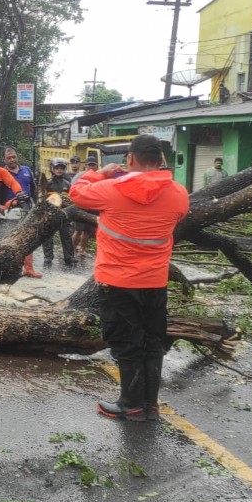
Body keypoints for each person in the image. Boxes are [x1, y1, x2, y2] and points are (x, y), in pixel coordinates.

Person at [69, 134, 189, 422]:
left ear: (130, 159)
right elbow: (179, 215)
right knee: (152, 341)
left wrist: (98, 173)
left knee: (126, 342)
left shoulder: (110, 189)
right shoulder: (179, 193)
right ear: (161, 160)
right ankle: (150, 405)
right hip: (155, 282)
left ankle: (131, 405)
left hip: (118, 281)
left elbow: (77, 192)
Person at [2, 146, 41, 278]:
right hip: (9, 210)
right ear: (4, 160)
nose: (12, 160)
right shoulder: (1, 173)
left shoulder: (27, 170)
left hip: (26, 208)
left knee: (28, 238)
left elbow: (34, 190)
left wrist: (36, 206)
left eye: (14, 157)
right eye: (9, 158)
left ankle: (28, 268)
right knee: (9, 239)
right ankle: (8, 269)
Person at [41, 157, 76, 266]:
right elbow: (42, 198)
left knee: (66, 236)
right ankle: (48, 257)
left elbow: (72, 199)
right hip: (51, 214)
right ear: (52, 169)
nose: (59, 170)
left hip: (64, 214)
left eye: (61, 168)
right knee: (48, 237)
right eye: (57, 168)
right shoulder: (48, 183)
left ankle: (69, 257)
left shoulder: (68, 183)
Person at [71, 156, 99, 256]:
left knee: (87, 231)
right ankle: (71, 250)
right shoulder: (79, 176)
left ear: (97, 166)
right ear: (85, 166)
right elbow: (73, 189)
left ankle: (82, 250)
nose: (91, 167)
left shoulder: (99, 176)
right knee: (78, 230)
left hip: (92, 207)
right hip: (81, 206)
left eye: (93, 165)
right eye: (89, 165)